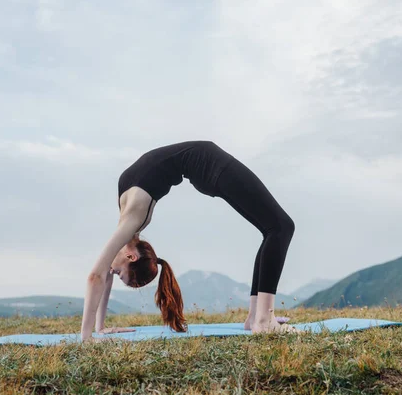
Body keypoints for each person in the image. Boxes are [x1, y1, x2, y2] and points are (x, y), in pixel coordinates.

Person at [81, 141, 297, 341]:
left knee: (277, 228)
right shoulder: (128, 218)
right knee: (278, 227)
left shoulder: (133, 218)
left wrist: (89, 335)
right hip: (207, 164)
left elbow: (97, 276)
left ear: (131, 256)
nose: (113, 272)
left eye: (120, 274)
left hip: (209, 163)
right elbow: (102, 275)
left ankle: (258, 318)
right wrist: (97, 329)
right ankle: (261, 319)